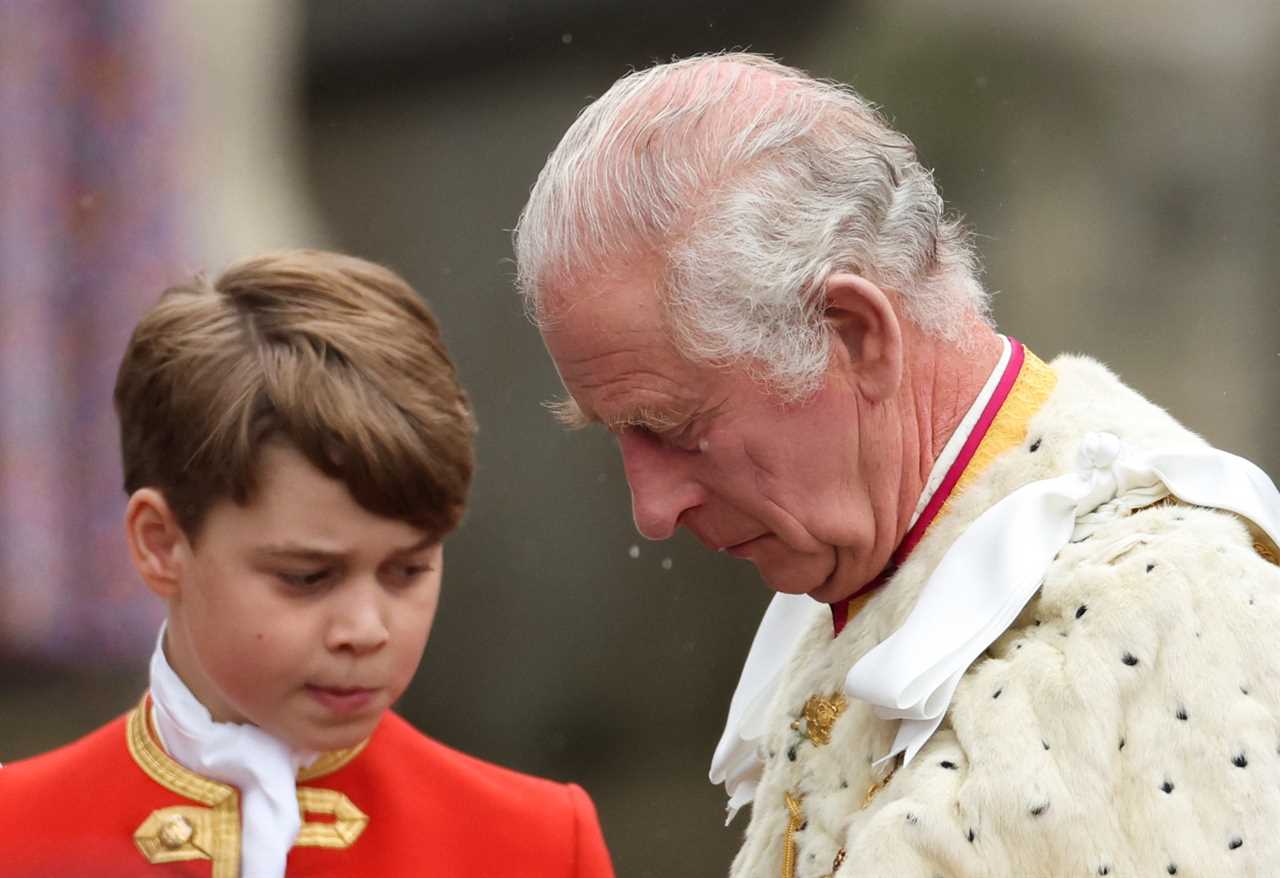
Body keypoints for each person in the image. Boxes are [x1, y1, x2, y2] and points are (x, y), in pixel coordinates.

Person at [513, 53, 1280, 878]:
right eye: (615, 433)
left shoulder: (1174, 609)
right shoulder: (867, 572)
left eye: (675, 427)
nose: (651, 511)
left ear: (853, 332)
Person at [0, 250, 616, 878]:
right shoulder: (13, 834)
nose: (367, 628)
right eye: (308, 577)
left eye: (408, 570)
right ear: (161, 544)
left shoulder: (531, 845)